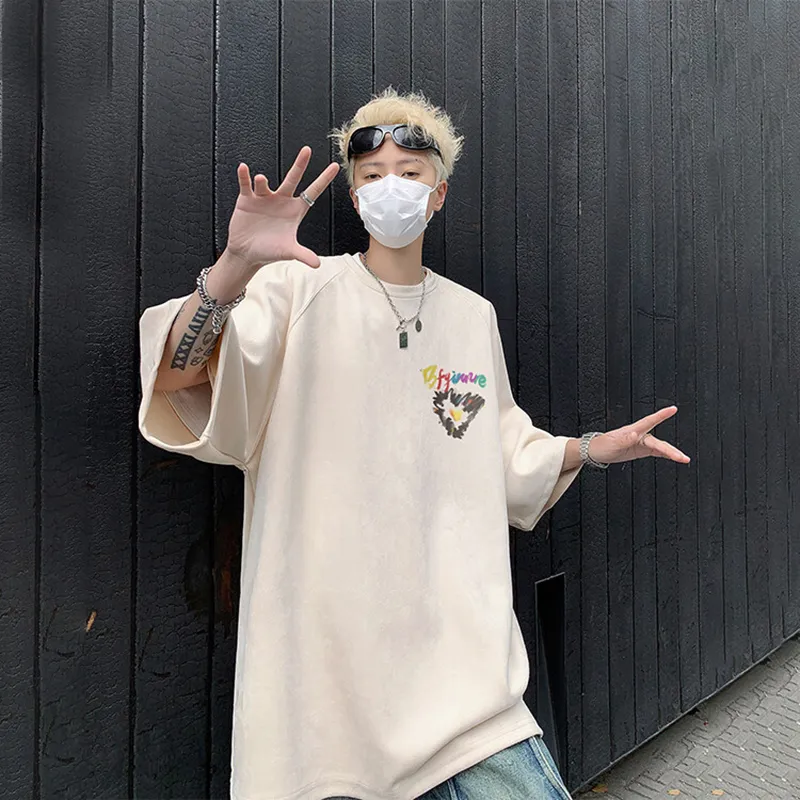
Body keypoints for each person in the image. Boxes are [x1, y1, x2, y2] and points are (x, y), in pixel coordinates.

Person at [138, 87, 690, 800]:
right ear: (355, 195)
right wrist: (234, 268)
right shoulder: (296, 291)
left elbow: (497, 449)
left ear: (439, 193)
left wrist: (590, 449)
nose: (390, 186)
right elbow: (181, 375)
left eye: (410, 171)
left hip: (463, 681)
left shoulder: (470, 316)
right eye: (372, 175)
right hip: (325, 685)